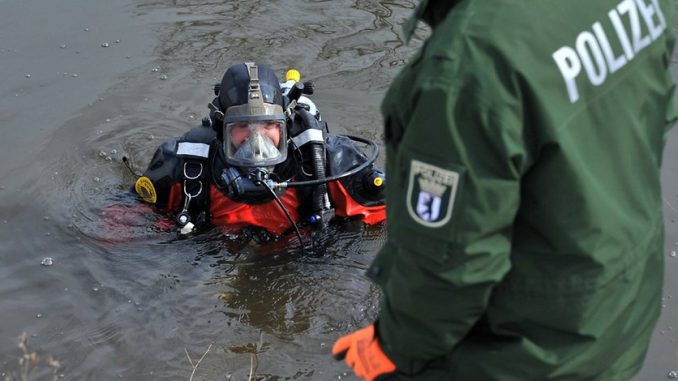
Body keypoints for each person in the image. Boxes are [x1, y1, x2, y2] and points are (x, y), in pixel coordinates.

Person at [332, 0, 677, 380]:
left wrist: (393, 347)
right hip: (624, 304)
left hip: (532, 351)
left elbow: (449, 266)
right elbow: (655, 105)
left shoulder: (472, 60)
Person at [131, 62, 386, 242]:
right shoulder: (183, 168)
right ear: (221, 128)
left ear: (285, 124)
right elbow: (125, 226)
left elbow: (392, 226)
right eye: (243, 126)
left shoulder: (333, 163)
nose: (257, 139)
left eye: (268, 125)